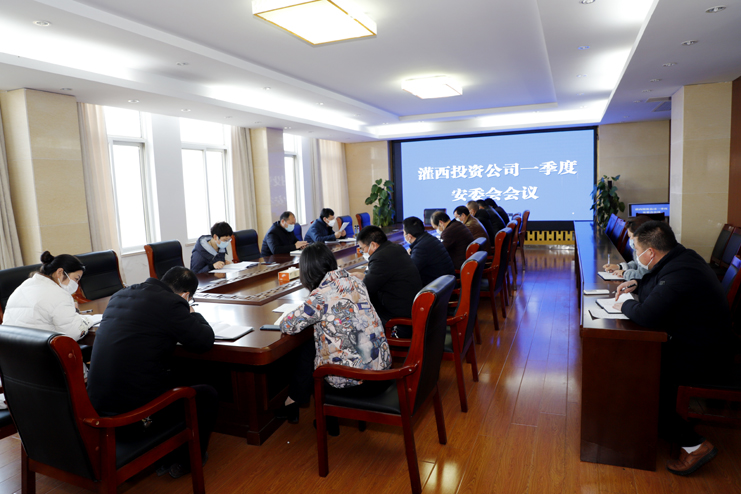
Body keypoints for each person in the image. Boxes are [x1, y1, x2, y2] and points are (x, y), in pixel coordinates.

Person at [612, 221, 736, 476]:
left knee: (638, 380)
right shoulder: (680, 259)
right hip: (696, 343)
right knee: (634, 368)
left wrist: (624, 303)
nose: (636, 254)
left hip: (705, 356)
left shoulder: (681, 272)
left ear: (651, 252)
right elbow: (655, 287)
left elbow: (647, 315)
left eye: (637, 249)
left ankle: (695, 445)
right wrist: (636, 286)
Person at [86, 266, 217, 479]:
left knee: (172, 373)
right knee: (206, 394)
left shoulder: (120, 295)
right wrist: (193, 313)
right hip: (130, 415)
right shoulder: (172, 303)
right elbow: (203, 341)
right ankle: (187, 459)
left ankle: (168, 449)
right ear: (185, 295)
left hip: (98, 404)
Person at [278, 243, 392, 435]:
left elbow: (288, 325)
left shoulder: (320, 296)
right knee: (313, 346)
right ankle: (298, 403)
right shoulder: (354, 281)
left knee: (314, 356)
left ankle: (303, 405)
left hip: (359, 381)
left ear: (307, 272)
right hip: (382, 369)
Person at [2, 251, 94, 340]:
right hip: (40, 348)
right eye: (76, 279)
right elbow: (74, 334)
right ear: (60, 272)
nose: (76, 284)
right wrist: (88, 321)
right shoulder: (59, 294)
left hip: (10, 347)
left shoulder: (26, 285)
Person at [355, 226, 423, 335]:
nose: (363, 252)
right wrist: (363, 276)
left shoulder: (379, 257)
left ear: (373, 245)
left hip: (399, 314)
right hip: (412, 305)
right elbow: (383, 276)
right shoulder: (396, 248)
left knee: (359, 307)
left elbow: (366, 289)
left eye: (362, 249)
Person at [403, 216, 455, 285]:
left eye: (403, 232)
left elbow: (409, 271)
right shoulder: (429, 238)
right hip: (447, 283)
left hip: (438, 287)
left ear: (409, 236)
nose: (403, 234)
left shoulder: (421, 248)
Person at [603, 215, 652, 281]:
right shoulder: (637, 249)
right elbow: (637, 264)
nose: (630, 239)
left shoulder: (648, 253)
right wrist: (619, 267)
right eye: (629, 236)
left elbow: (642, 275)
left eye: (632, 236)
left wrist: (624, 273)